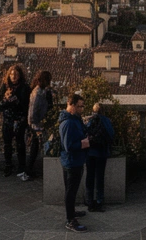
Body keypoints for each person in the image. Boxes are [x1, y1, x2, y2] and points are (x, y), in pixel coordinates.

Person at [58, 92, 91, 232]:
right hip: (72, 162)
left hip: (74, 161)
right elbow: (69, 146)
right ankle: (70, 220)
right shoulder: (68, 123)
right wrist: (85, 143)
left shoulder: (74, 119)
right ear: (70, 105)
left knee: (72, 190)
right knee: (71, 191)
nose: (81, 109)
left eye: (82, 106)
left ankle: (71, 212)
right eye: (79, 107)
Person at [0, 63, 30, 178]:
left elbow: (26, 106)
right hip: (8, 120)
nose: (14, 76)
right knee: (7, 144)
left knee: (20, 144)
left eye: (16, 74)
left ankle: (21, 166)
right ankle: (8, 165)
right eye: (11, 74)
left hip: (20, 120)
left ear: (20, 75)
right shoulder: (4, 86)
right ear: (8, 76)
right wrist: (6, 99)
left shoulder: (25, 88)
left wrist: (16, 101)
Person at [83, 102, 115, 212]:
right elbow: (111, 136)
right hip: (101, 152)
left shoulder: (89, 120)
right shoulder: (106, 121)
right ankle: (99, 200)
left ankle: (89, 200)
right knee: (99, 178)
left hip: (90, 152)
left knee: (89, 177)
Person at [25, 70, 54, 181]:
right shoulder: (39, 93)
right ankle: (29, 170)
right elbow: (35, 110)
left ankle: (30, 170)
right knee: (37, 147)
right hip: (37, 125)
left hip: (35, 124)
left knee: (36, 147)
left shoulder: (37, 91)